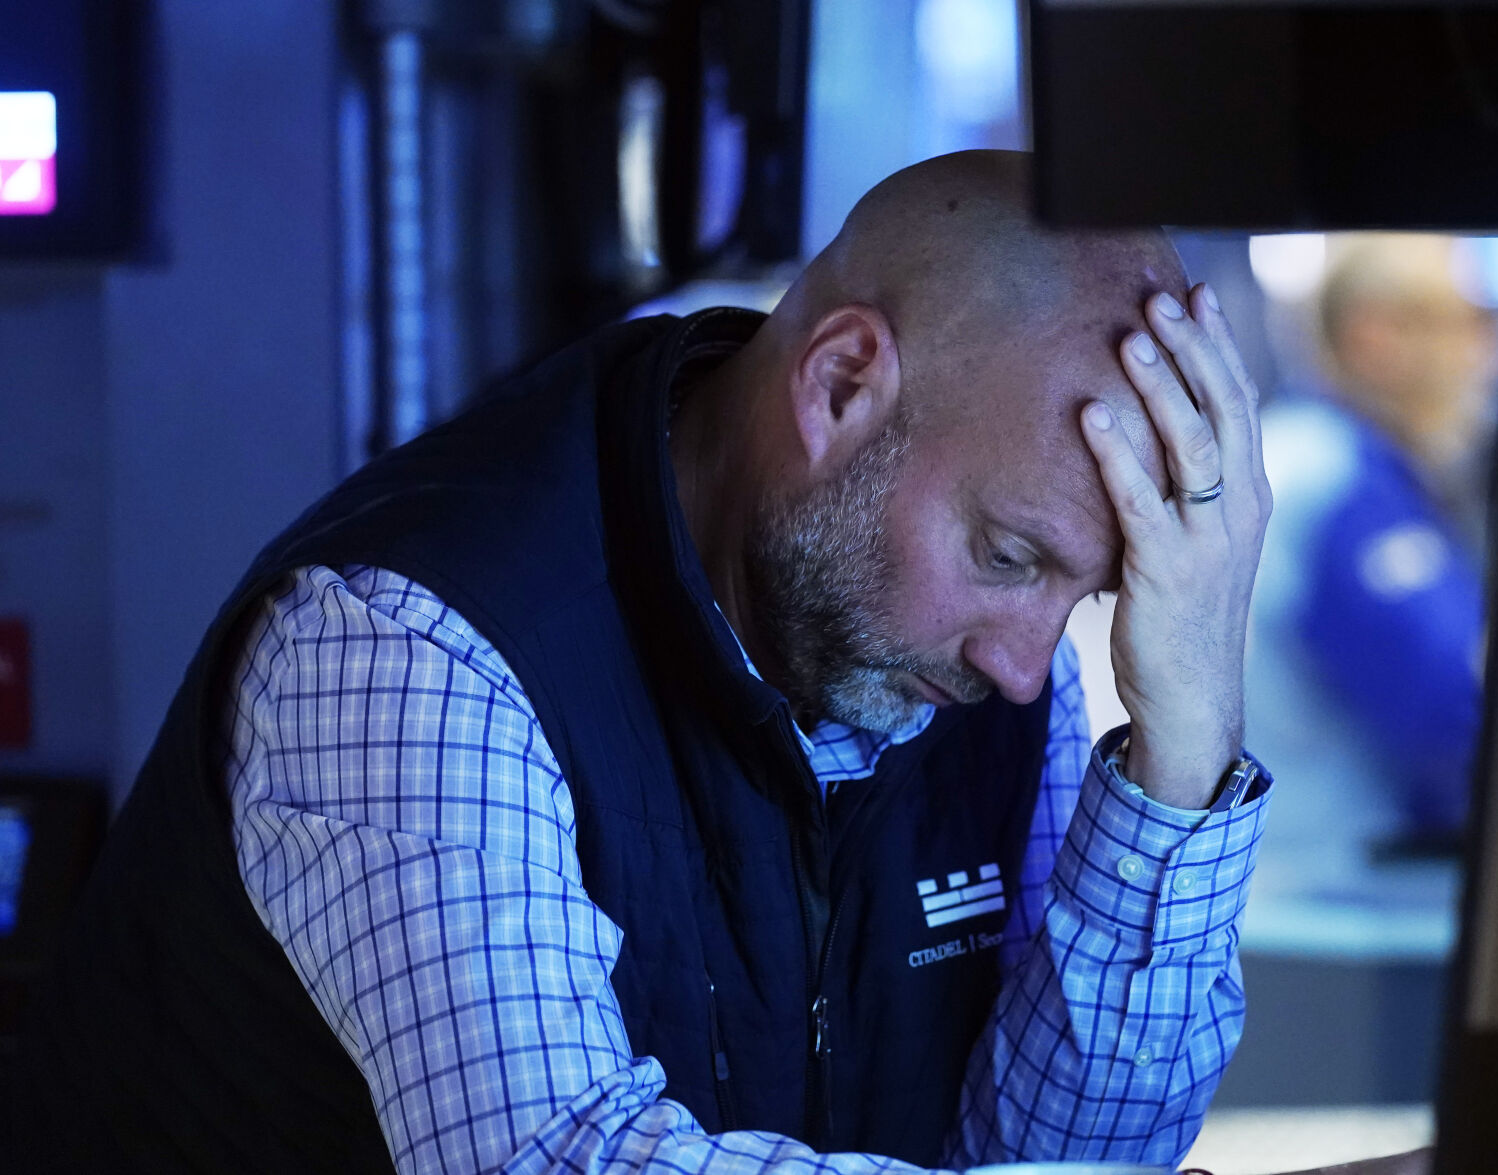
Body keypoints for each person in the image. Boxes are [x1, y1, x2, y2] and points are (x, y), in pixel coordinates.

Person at [13, 151, 1412, 1175]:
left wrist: (1180, 747)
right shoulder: (409, 638)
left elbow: (1057, 1150)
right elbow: (562, 1160)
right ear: (839, 385)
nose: (1026, 655)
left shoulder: (974, 651)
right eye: (1006, 552)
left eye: (1084, 587)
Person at [1246, 235, 1497, 883]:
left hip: (1282, 876)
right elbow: (1455, 711)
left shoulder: (1296, 449)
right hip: (1337, 888)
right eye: (1461, 322)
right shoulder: (1340, 483)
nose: (1482, 355)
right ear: (1374, 337)